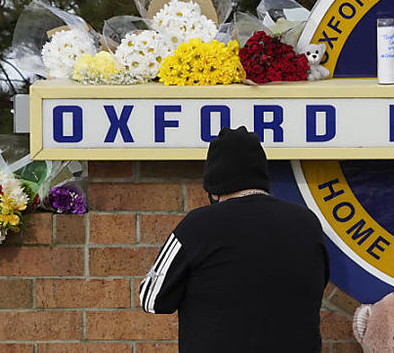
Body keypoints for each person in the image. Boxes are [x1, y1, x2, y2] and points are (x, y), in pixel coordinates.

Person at [139, 126, 330, 351]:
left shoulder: (197, 226)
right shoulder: (307, 223)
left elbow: (152, 298)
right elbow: (316, 286)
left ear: (213, 186)